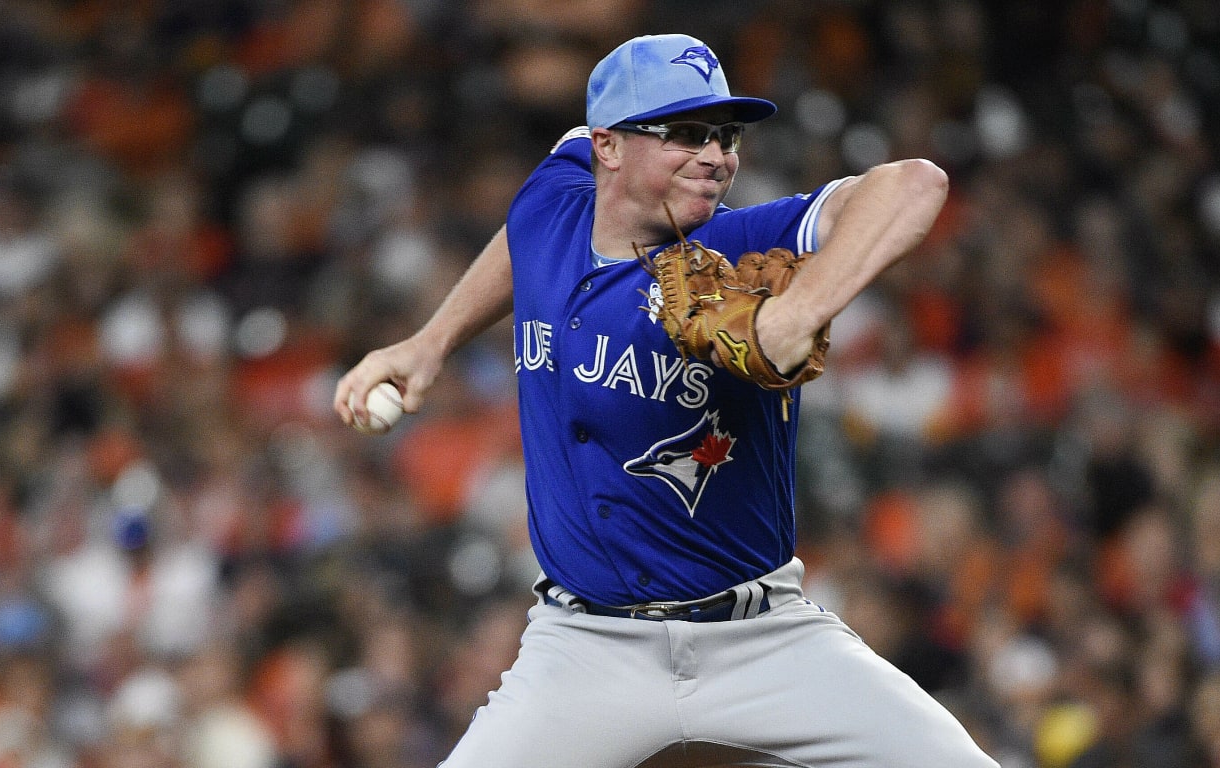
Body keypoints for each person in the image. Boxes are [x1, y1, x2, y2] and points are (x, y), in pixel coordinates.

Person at [336, 33, 997, 768]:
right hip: (585, 649)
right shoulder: (553, 202)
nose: (717, 155)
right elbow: (523, 236)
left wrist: (796, 309)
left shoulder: (741, 246)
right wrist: (430, 342)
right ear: (607, 148)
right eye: (686, 133)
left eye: (726, 135)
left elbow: (915, 183)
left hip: (762, 638)